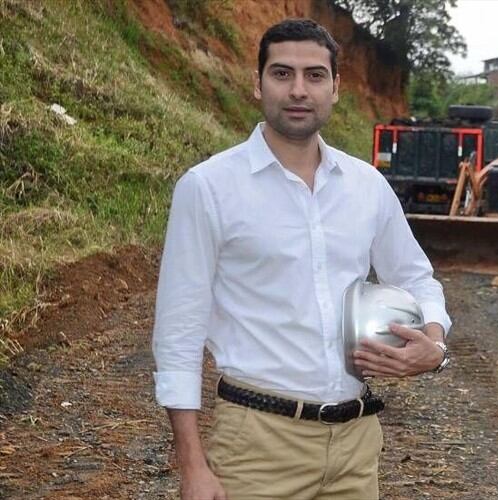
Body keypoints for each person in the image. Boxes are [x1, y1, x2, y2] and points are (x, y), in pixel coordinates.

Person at [151, 18, 451, 500]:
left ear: (335, 88)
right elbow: (177, 333)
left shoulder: (366, 185)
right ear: (257, 83)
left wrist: (433, 345)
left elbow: (416, 276)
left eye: (314, 75)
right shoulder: (208, 188)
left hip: (356, 447)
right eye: (281, 73)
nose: (298, 90)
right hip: (257, 447)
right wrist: (192, 463)